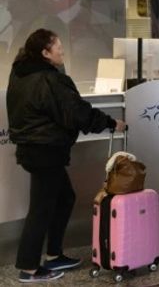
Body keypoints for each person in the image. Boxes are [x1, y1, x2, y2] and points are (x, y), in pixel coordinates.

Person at [7, 29, 126, 283]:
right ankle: (28, 268)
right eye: (57, 46)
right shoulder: (49, 79)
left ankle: (53, 254)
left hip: (34, 148)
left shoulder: (21, 72)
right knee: (41, 209)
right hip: (44, 150)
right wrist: (109, 122)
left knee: (63, 199)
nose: (62, 50)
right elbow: (77, 112)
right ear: (45, 53)